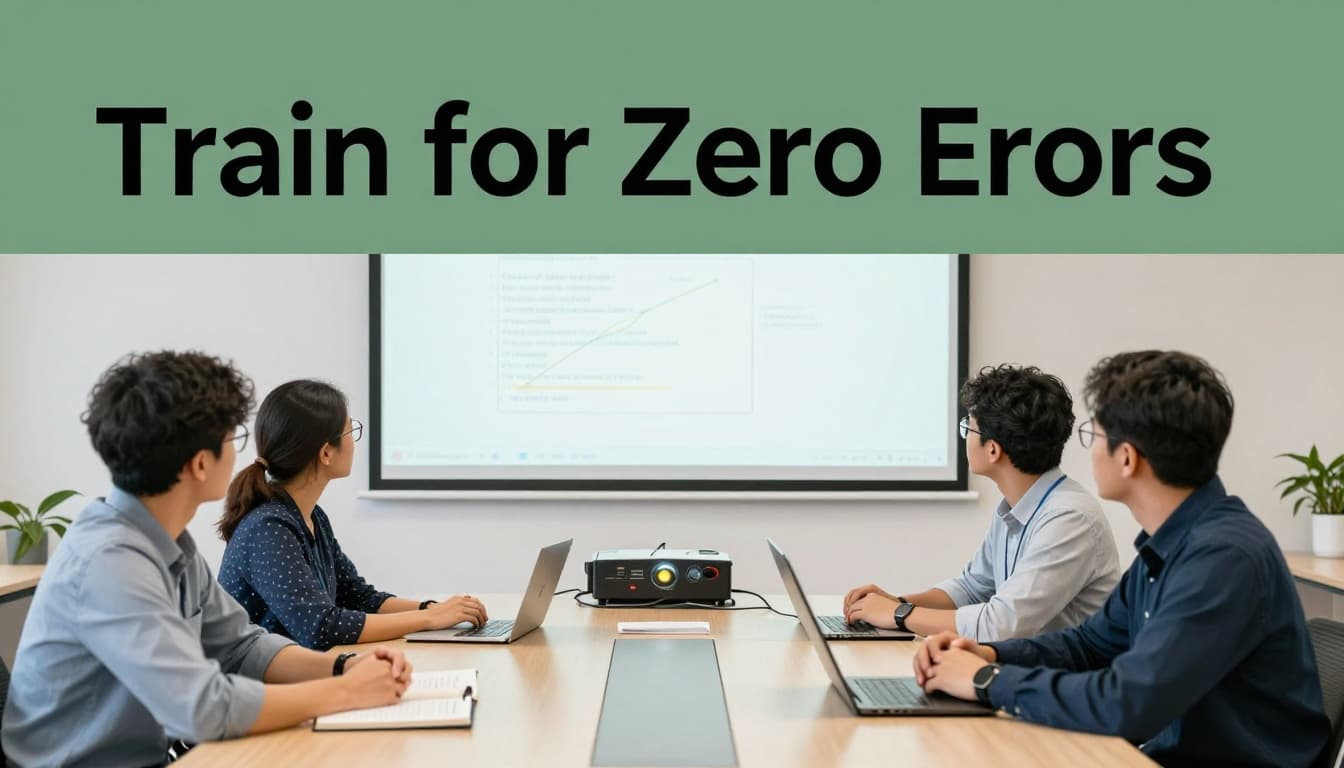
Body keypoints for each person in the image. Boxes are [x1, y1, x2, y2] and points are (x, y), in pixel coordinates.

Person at [914, 351, 1330, 767]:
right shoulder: (1174, 542)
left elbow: (1126, 704)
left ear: (1127, 458)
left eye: (1092, 434)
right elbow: (1089, 645)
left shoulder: (1223, 558)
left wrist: (986, 681)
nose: (1088, 449)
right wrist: (990, 655)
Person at [2, 351, 414, 768]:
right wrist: (347, 692)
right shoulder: (110, 563)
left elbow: (241, 646)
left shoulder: (167, 540)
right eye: (232, 439)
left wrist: (342, 667)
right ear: (200, 463)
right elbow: (202, 708)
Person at [844, 364, 1120, 640]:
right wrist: (896, 602)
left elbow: (1001, 625)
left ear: (992, 449)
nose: (965, 437)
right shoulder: (1015, 506)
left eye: (969, 428)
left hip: (1061, 677)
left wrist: (898, 615)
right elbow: (973, 588)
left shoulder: (1069, 518)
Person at [217, 379, 487, 650]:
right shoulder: (269, 528)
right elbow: (321, 628)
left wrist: (433, 609)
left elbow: (357, 597)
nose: (355, 443)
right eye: (350, 431)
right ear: (326, 453)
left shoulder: (312, 516)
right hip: (263, 689)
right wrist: (428, 618)